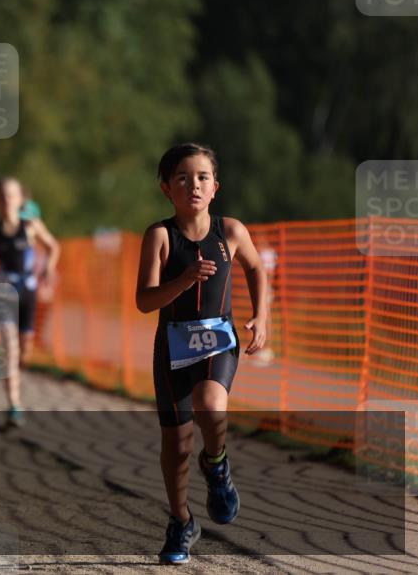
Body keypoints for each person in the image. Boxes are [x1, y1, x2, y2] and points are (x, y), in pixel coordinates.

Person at [135, 143, 268, 564]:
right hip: (172, 344)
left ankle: (217, 465)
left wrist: (262, 316)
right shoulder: (159, 236)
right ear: (166, 189)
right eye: (182, 178)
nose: (193, 185)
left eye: (202, 178)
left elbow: (256, 268)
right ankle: (181, 521)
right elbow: (144, 300)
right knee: (176, 446)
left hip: (218, 338)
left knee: (212, 405)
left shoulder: (230, 232)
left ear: (215, 188)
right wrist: (186, 278)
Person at [0, 177, 59, 427]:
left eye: (12, 195)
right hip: (4, 292)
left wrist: (48, 270)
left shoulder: (31, 226)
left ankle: (11, 368)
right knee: (10, 348)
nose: (7, 200)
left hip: (28, 292)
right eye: (2, 196)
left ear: (21, 199)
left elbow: (53, 247)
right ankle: (14, 404)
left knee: (24, 352)